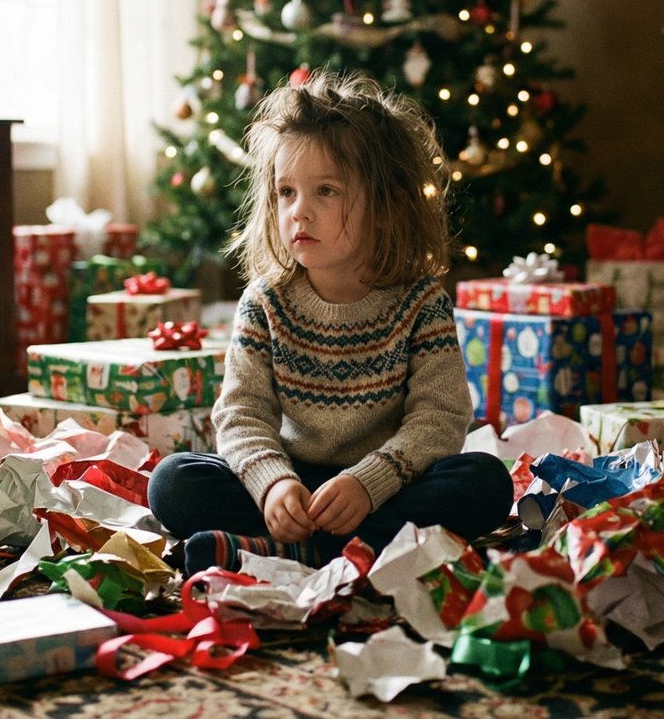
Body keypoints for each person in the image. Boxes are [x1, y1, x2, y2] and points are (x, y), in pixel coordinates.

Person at [147, 70, 513, 575]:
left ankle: (294, 554)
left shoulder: (421, 302)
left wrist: (370, 482)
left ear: (385, 206)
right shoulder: (265, 301)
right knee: (172, 481)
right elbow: (242, 414)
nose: (300, 212)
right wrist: (273, 484)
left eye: (326, 191)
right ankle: (328, 548)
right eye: (286, 192)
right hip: (294, 483)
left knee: (485, 481)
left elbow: (439, 419)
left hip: (385, 485)